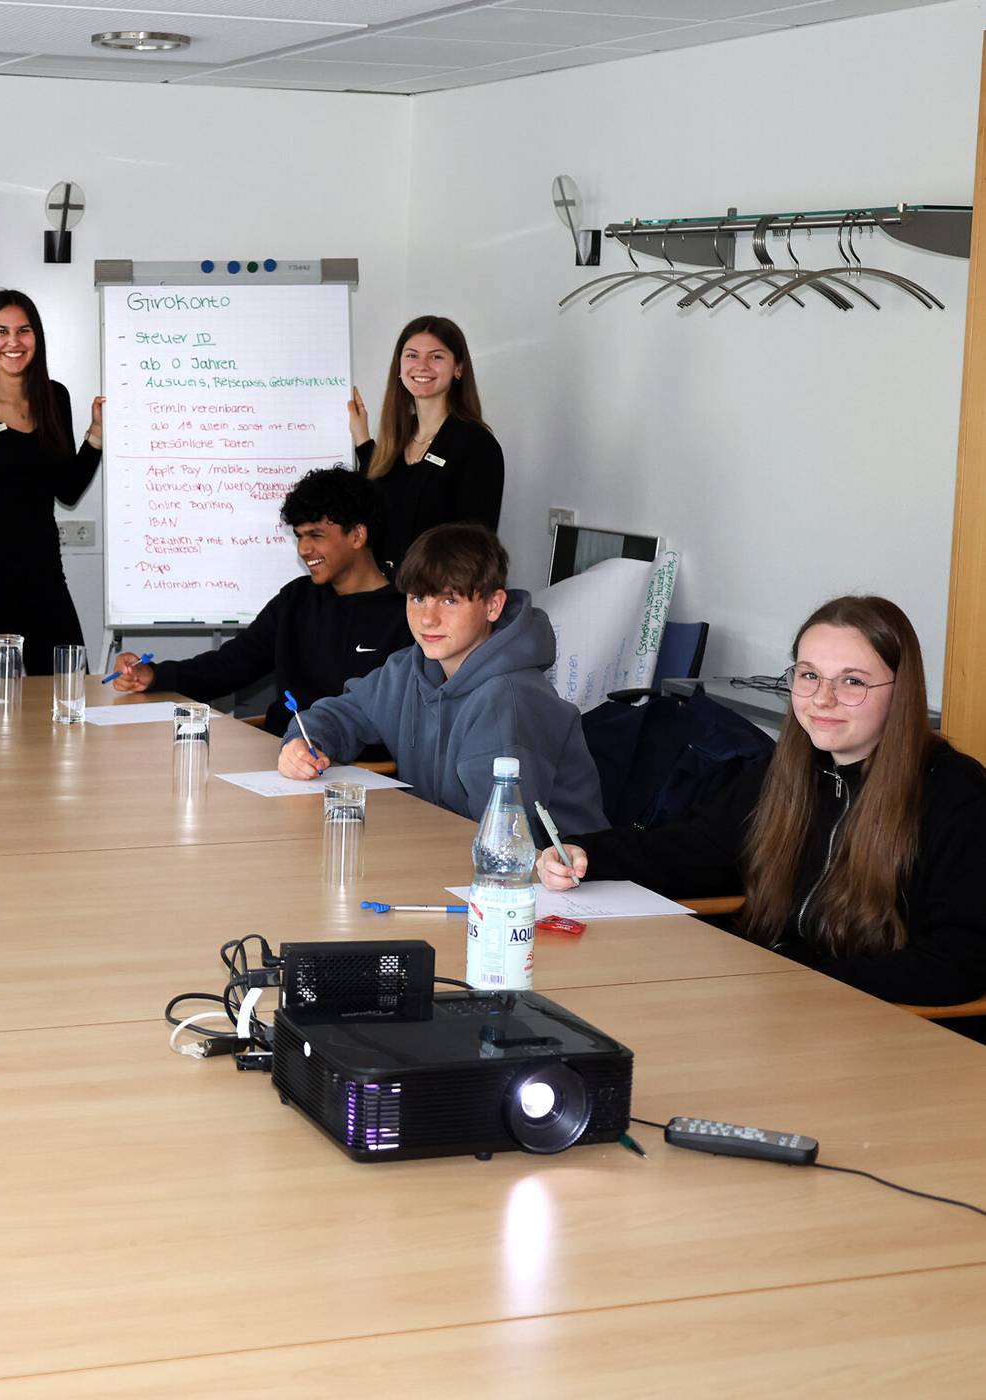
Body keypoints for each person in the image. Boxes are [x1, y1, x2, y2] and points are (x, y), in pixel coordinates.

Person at [539, 596, 986, 1030]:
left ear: (900, 692)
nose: (823, 698)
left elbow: (958, 961)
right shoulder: (789, 769)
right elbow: (690, 851)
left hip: (880, 1027)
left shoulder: (954, 793)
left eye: (852, 681)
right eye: (809, 675)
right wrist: (582, 853)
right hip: (780, 1006)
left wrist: (806, 981)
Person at [279, 522, 604, 841]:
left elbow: (504, 841)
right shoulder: (410, 668)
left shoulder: (508, 700)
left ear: (493, 606)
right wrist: (304, 743)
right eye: (417, 598)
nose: (427, 618)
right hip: (444, 846)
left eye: (449, 600)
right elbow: (342, 714)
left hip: (547, 870)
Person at [109, 467, 411, 736]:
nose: (304, 549)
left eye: (315, 535)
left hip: (355, 770)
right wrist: (155, 675)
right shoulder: (295, 599)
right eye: (299, 536)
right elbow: (230, 665)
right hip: (279, 757)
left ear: (357, 535)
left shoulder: (407, 613)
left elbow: (395, 720)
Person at [0, 289, 102, 673]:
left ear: (36, 338)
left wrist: (96, 434)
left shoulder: (54, 398)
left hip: (47, 579)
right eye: (1, 332)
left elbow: (67, 489)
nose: (13, 342)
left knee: (69, 686)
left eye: (23, 331)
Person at [348, 315, 504, 571]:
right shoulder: (399, 436)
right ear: (399, 368)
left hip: (437, 591)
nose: (421, 366)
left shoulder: (476, 444)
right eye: (412, 355)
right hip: (387, 589)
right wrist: (362, 439)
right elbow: (377, 503)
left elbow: (475, 547)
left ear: (458, 368)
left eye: (436, 357)